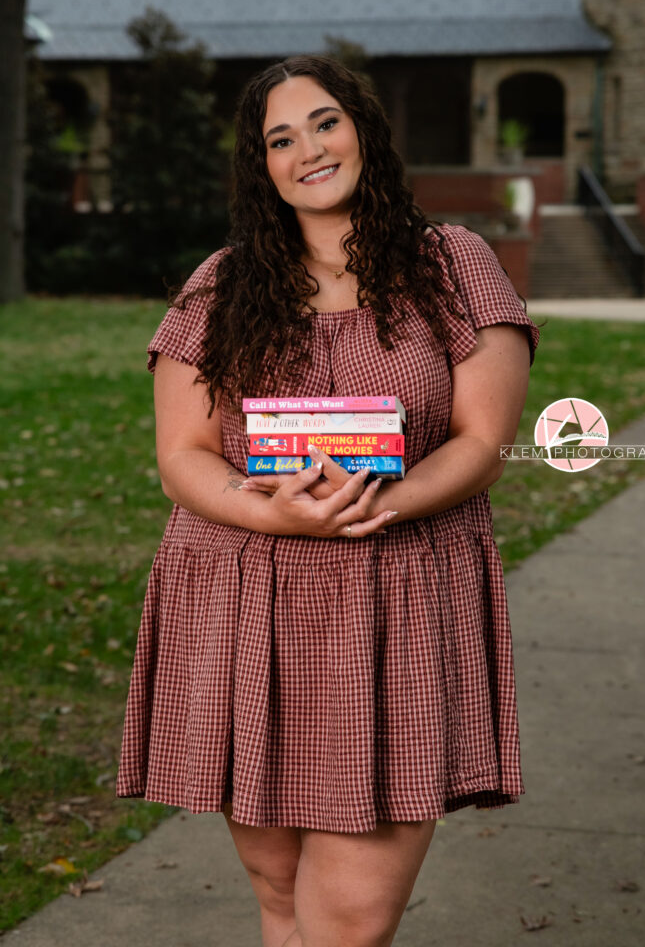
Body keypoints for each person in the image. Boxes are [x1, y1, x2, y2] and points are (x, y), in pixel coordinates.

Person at [116, 54, 540, 947]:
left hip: (397, 602)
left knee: (348, 924)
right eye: (280, 138)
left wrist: (376, 505)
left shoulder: (453, 265)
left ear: (364, 131)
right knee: (280, 901)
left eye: (323, 122)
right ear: (260, 166)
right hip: (246, 604)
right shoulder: (222, 287)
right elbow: (183, 456)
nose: (307, 148)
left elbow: (484, 441)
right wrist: (267, 509)